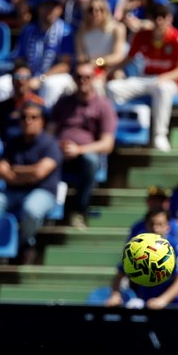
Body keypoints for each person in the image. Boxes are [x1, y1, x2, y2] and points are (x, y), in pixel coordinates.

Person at [0, 100, 61, 263]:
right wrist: (27, 175)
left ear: (42, 121)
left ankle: (24, 244)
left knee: (31, 210)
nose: (28, 121)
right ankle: (1, 242)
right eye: (24, 117)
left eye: (33, 117)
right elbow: (0, 170)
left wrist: (15, 169)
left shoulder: (50, 144)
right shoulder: (13, 142)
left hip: (43, 192)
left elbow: (39, 173)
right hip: (13, 191)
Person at [106, 4, 178, 153]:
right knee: (112, 88)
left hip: (169, 82)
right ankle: (118, 130)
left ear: (169, 19)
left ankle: (160, 136)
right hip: (146, 79)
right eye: (156, 17)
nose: (159, 21)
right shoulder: (141, 36)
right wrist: (110, 72)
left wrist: (164, 77)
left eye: (163, 17)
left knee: (162, 88)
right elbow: (128, 59)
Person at [50, 61, 117, 229]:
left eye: (87, 77)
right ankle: (46, 210)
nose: (83, 80)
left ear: (93, 78)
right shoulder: (63, 102)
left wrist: (79, 150)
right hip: (59, 152)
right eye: (79, 77)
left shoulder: (103, 106)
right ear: (73, 79)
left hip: (84, 155)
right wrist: (56, 147)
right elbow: (49, 132)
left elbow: (107, 144)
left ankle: (78, 212)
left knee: (91, 161)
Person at [105, 209, 178, 308]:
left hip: (174, 305)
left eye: (160, 224)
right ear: (146, 225)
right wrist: (115, 294)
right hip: (147, 303)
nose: (155, 228)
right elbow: (120, 274)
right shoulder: (138, 247)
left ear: (167, 226)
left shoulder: (176, 247)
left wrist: (162, 300)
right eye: (152, 224)